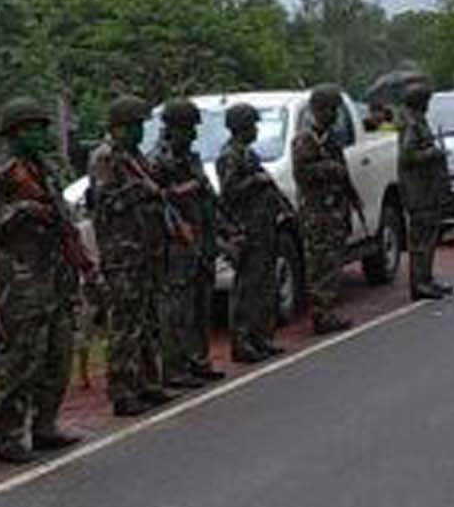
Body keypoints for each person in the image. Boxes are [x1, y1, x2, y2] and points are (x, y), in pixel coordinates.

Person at [0, 97, 88, 461]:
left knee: (58, 354)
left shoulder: (43, 169)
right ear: (14, 132)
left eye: (42, 127)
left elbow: (62, 219)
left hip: (54, 274)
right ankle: (5, 435)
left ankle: (45, 425)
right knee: (21, 359)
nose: (40, 134)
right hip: (20, 279)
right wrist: (21, 210)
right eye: (33, 128)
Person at [90, 94, 178, 414]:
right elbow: (104, 203)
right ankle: (122, 389)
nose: (140, 131)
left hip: (145, 250)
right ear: (118, 127)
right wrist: (139, 191)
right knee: (124, 323)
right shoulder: (106, 158)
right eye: (134, 125)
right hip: (122, 253)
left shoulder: (135, 156)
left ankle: (147, 382)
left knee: (147, 319)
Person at [151, 98, 225, 386]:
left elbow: (208, 195)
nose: (193, 135)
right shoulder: (158, 160)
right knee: (176, 309)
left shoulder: (190, 158)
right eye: (187, 128)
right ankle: (175, 368)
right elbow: (158, 199)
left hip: (200, 239)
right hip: (176, 243)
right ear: (172, 128)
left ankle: (198, 361)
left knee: (199, 306)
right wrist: (185, 189)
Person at [215, 101, 288, 362]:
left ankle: (261, 337)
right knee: (247, 287)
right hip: (247, 228)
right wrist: (254, 181)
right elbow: (229, 193)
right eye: (252, 126)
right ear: (241, 127)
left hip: (262, 226)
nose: (256, 130)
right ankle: (243, 341)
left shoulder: (249, 153)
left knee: (263, 285)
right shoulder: (230, 156)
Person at [292, 84, 357, 334]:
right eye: (331, 110)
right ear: (319, 110)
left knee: (332, 262)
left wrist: (351, 196)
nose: (335, 115)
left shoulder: (330, 139)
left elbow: (342, 172)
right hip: (317, 213)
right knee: (321, 264)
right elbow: (303, 174)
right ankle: (321, 314)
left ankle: (327, 310)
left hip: (333, 210)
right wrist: (329, 169)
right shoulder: (306, 139)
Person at [397, 76, 454, 300]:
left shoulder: (418, 121)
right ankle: (420, 283)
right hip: (418, 191)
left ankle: (426, 279)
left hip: (426, 188)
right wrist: (433, 153)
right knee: (421, 238)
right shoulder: (412, 124)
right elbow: (407, 156)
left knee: (429, 236)